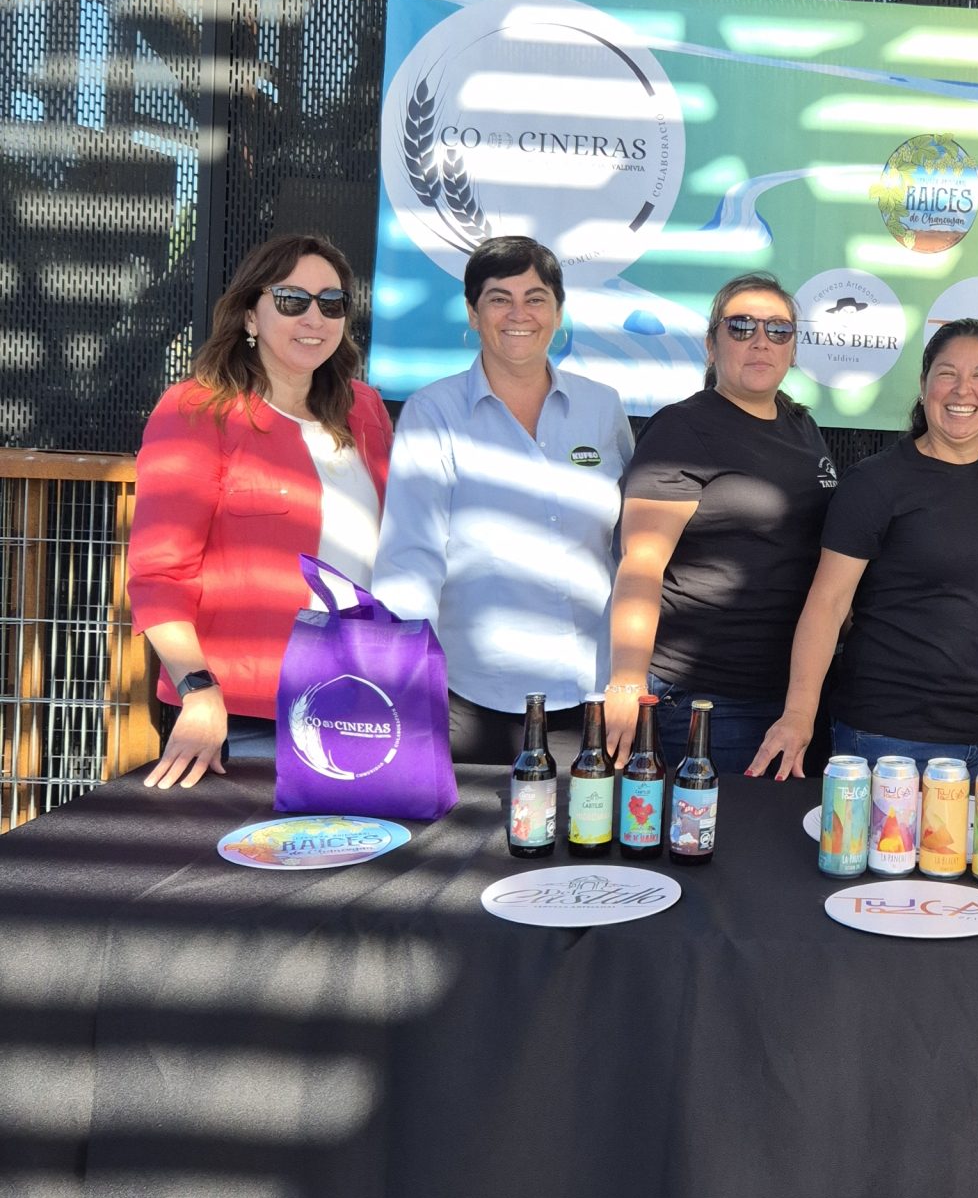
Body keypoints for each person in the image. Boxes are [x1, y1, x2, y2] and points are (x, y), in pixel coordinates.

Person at [130, 233, 392, 788]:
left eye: (331, 302)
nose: (314, 317)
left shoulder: (364, 409)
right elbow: (159, 574)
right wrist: (198, 691)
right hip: (239, 717)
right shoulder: (197, 410)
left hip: (360, 704)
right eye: (293, 300)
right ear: (250, 313)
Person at [372, 235, 632, 762]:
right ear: (472, 313)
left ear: (558, 312)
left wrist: (630, 670)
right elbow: (411, 557)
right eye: (498, 298)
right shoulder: (433, 412)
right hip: (470, 699)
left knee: (580, 839)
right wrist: (405, 682)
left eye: (535, 298)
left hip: (590, 693)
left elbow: (630, 546)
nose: (519, 314)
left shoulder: (602, 408)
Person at [749, 320, 978, 777]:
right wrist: (799, 715)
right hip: (887, 738)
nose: (963, 390)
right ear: (924, 386)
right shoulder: (877, 482)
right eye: (947, 374)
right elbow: (828, 603)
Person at [606, 274, 836, 777]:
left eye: (778, 330)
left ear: (793, 349)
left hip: (790, 697)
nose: (761, 341)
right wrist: (625, 681)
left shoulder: (802, 427)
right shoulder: (682, 430)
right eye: (741, 326)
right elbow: (641, 564)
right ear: (712, 345)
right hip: (705, 700)